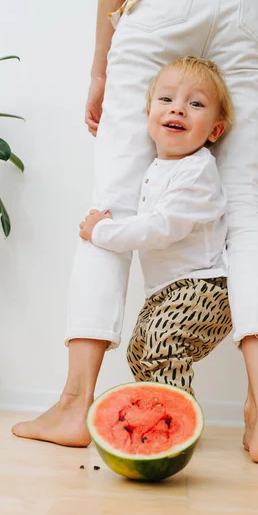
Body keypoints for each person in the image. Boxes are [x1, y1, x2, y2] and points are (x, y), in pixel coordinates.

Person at [12, 0, 258, 465]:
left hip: (162, 9)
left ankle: (73, 405)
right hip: (250, 11)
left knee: (111, 206)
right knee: (248, 209)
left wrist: (99, 71)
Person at [80, 56, 233, 396]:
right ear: (148, 114)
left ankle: (174, 421)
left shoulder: (197, 170)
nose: (177, 110)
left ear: (215, 130)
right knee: (140, 350)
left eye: (195, 104)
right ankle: (166, 413)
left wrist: (102, 231)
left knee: (161, 344)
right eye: (166, 100)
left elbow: (161, 228)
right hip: (166, 291)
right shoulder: (156, 166)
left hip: (201, 288)